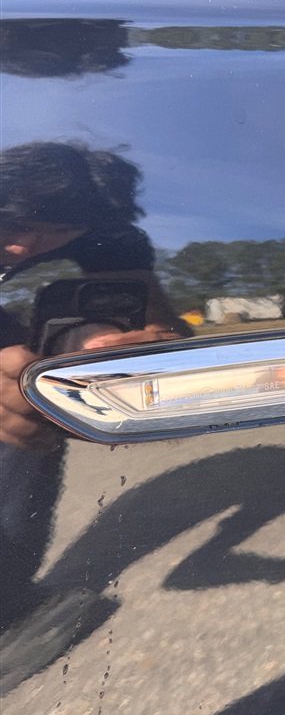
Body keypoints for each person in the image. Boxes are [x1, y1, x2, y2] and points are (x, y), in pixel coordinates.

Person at [0, 141, 188, 638]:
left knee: (35, 399)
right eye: (11, 224)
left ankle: (6, 600)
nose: (23, 248)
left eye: (57, 232)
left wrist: (141, 348)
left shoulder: (106, 231)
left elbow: (160, 325)